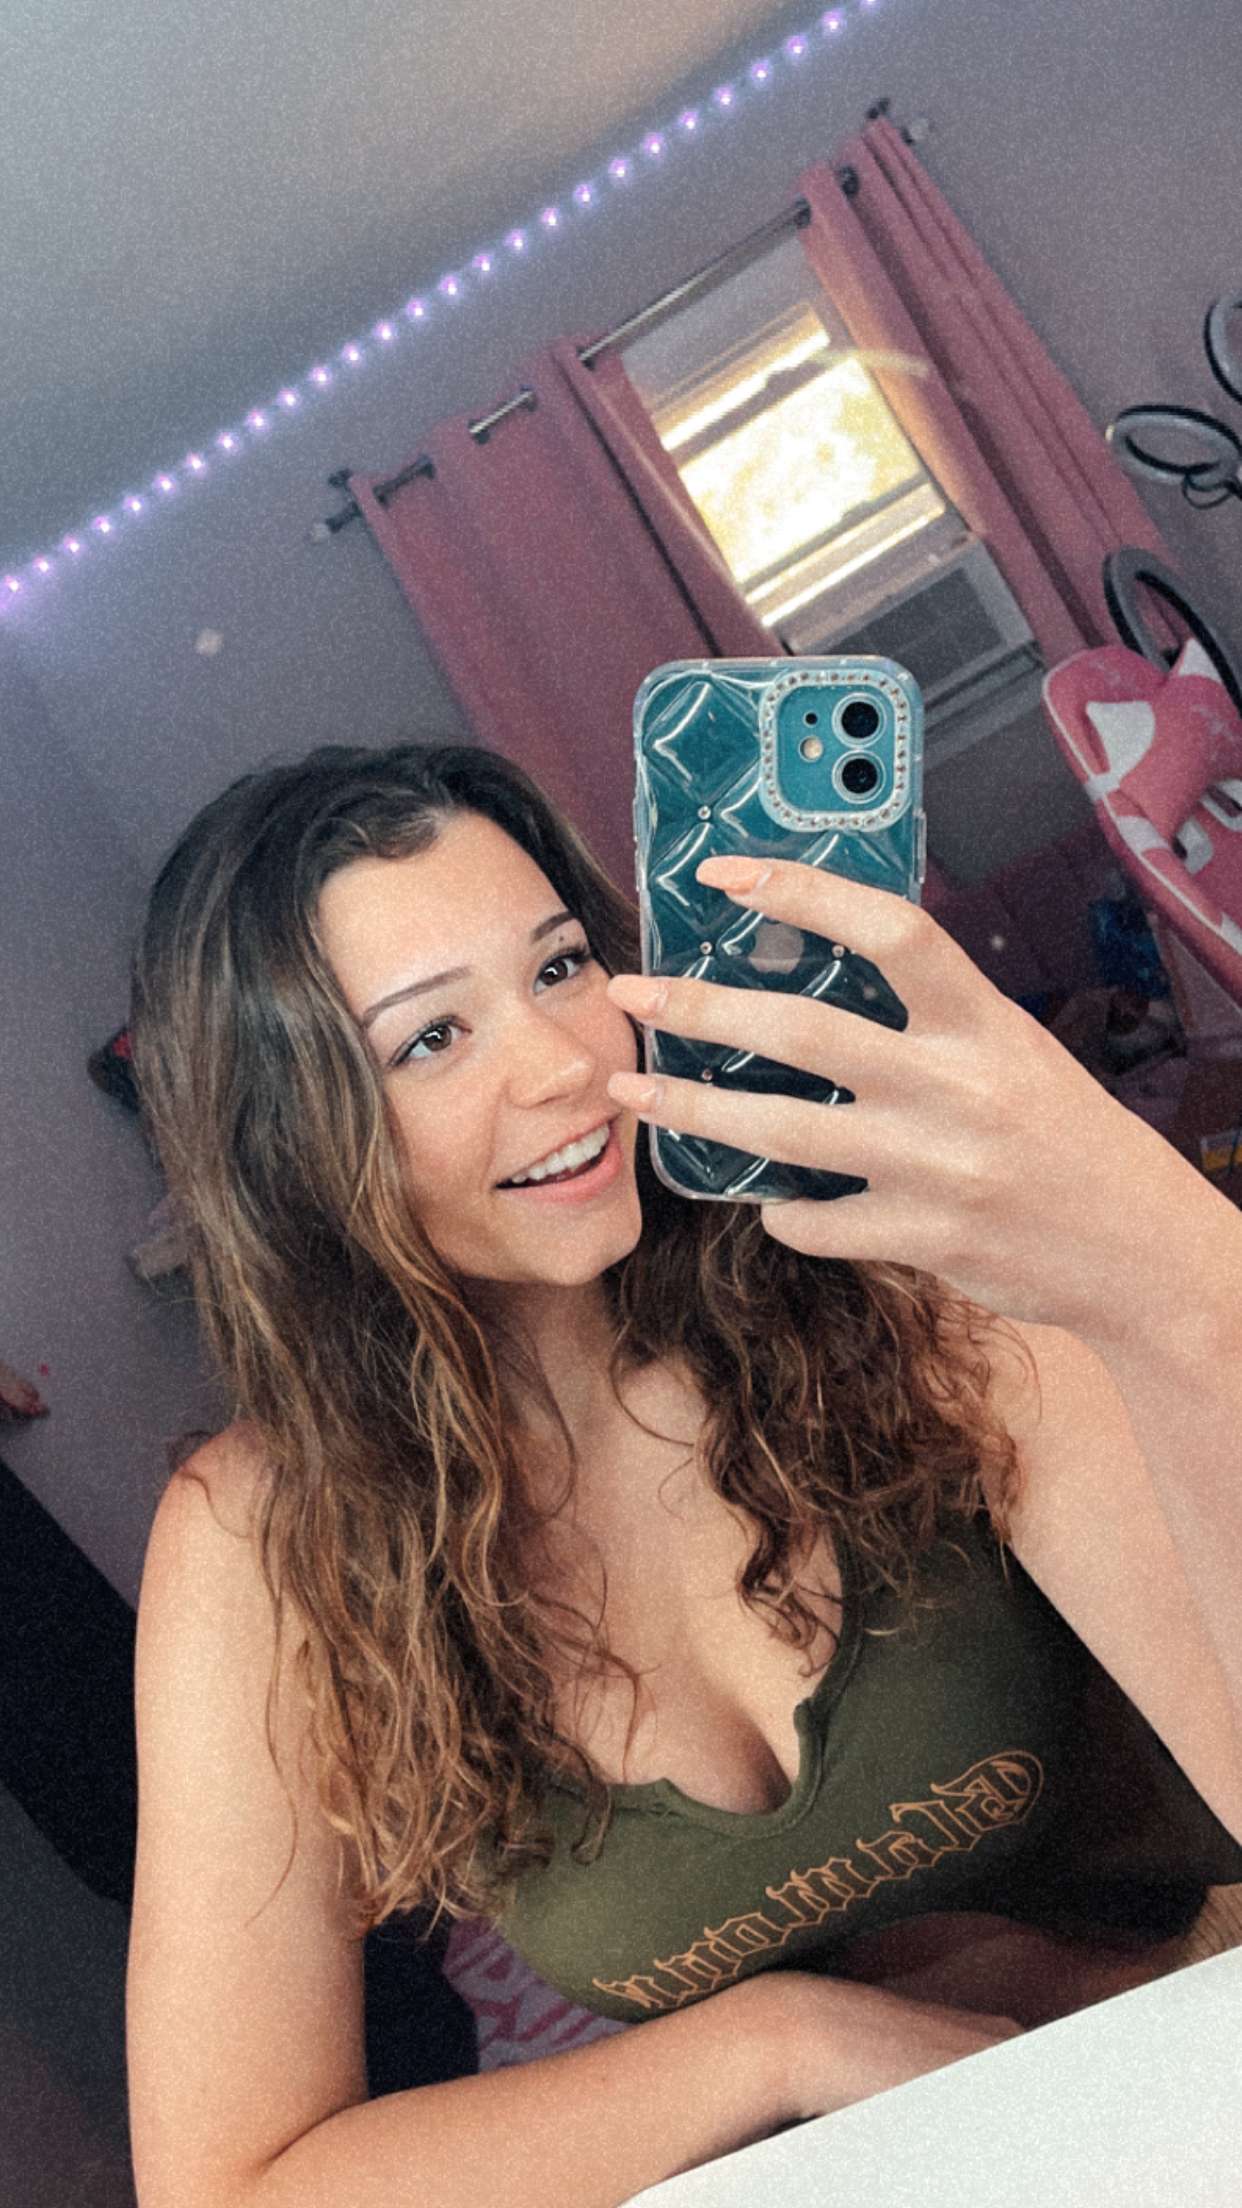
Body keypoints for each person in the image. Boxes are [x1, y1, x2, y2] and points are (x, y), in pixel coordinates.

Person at [125, 739, 1242, 2208]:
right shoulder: (267, 1538)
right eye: (430, 1039)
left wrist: (1176, 1269)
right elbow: (230, 2182)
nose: (565, 1063)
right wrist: (779, 2041)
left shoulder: (885, 1281)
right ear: (287, 1148)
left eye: (559, 966)